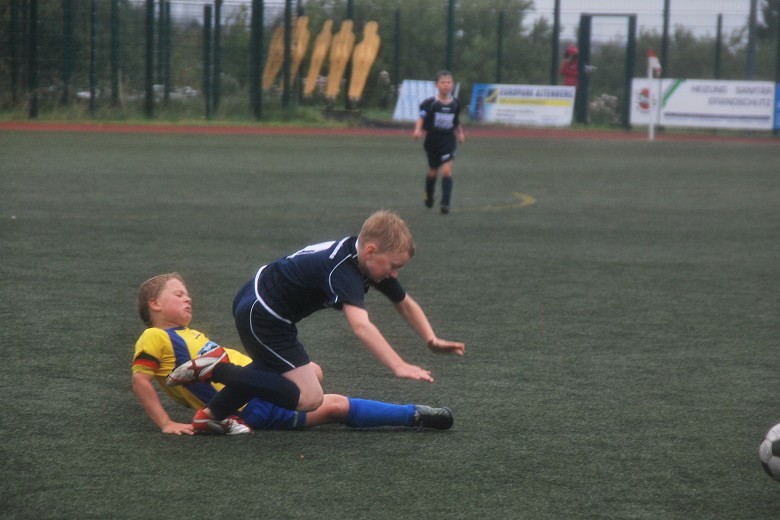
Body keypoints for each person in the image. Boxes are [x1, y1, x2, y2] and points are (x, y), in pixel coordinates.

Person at [169, 210, 465, 426]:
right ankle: (218, 371)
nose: (395, 274)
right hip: (264, 316)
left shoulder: (364, 258)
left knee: (307, 373)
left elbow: (404, 303)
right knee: (310, 398)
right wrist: (398, 365)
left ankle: (211, 415)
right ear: (372, 251)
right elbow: (361, 326)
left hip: (257, 301)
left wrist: (431, 339)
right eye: (394, 266)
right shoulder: (345, 270)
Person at [132, 273, 454, 435]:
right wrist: (164, 423)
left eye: (187, 294)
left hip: (258, 391)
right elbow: (141, 380)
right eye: (178, 294)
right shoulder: (155, 335)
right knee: (328, 397)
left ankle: (414, 415)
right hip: (246, 404)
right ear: (155, 305)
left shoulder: (189, 334)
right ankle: (414, 414)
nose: (187, 299)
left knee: (317, 375)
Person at [413, 70, 465, 215]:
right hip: (432, 140)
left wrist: (460, 133)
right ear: (437, 85)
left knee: (447, 170)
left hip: (448, 139)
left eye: (449, 82)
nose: (446, 85)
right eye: (443, 82)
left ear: (452, 85)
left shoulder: (455, 103)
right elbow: (421, 118)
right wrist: (418, 130)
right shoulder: (430, 103)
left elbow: (456, 121)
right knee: (433, 172)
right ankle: (428, 195)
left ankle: (445, 203)